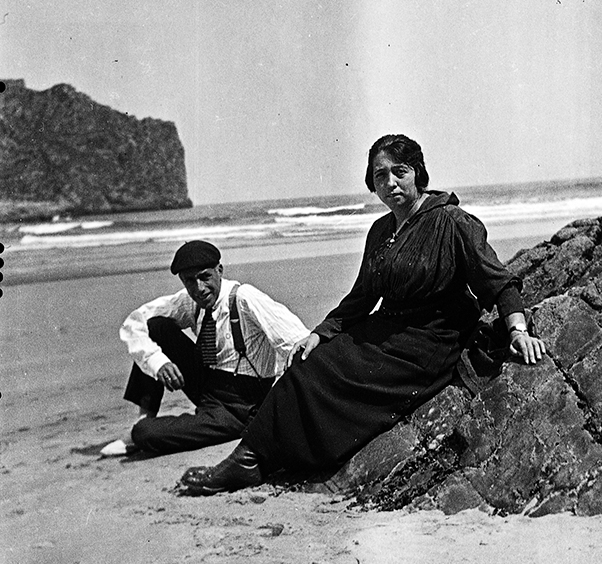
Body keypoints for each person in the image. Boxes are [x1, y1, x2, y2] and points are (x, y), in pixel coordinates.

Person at [178, 136, 546, 494]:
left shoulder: (452, 222)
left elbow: (496, 280)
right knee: (309, 364)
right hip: (386, 327)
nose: (390, 183)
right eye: (380, 176)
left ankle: (257, 459)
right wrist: (320, 333)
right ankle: (252, 458)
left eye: (399, 172)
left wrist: (517, 330)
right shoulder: (380, 230)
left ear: (417, 172)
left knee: (331, 380)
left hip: (429, 340)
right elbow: (361, 297)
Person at [100, 239, 308, 457]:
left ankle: (141, 431)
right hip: (208, 384)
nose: (199, 288)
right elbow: (135, 323)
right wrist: (157, 361)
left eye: (205, 277)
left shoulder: (245, 298)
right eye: (189, 281)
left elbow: (298, 342)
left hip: (240, 407)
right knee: (156, 327)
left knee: (145, 434)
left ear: (219, 270)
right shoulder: (192, 301)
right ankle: (144, 417)